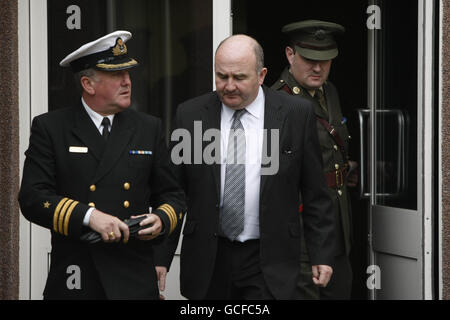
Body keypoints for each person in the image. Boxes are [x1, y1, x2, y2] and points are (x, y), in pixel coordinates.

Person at [154, 34, 336, 299]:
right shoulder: (191, 115)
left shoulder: (295, 114)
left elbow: (315, 193)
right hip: (209, 258)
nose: (229, 86)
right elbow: (174, 192)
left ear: (261, 75)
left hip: (268, 260)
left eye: (239, 77)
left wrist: (321, 254)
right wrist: (161, 256)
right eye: (221, 76)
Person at [18, 30, 185, 300]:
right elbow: (33, 197)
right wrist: (89, 216)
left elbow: (173, 195)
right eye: (116, 75)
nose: (127, 82)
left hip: (134, 274)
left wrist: (161, 220)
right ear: (88, 84)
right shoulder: (52, 128)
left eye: (128, 74)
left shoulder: (147, 127)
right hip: (77, 273)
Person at [271, 20, 358, 299]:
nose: (318, 68)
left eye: (326, 60)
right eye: (309, 60)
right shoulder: (277, 103)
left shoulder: (329, 92)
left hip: (337, 224)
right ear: (290, 54)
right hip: (302, 230)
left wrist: (346, 169)